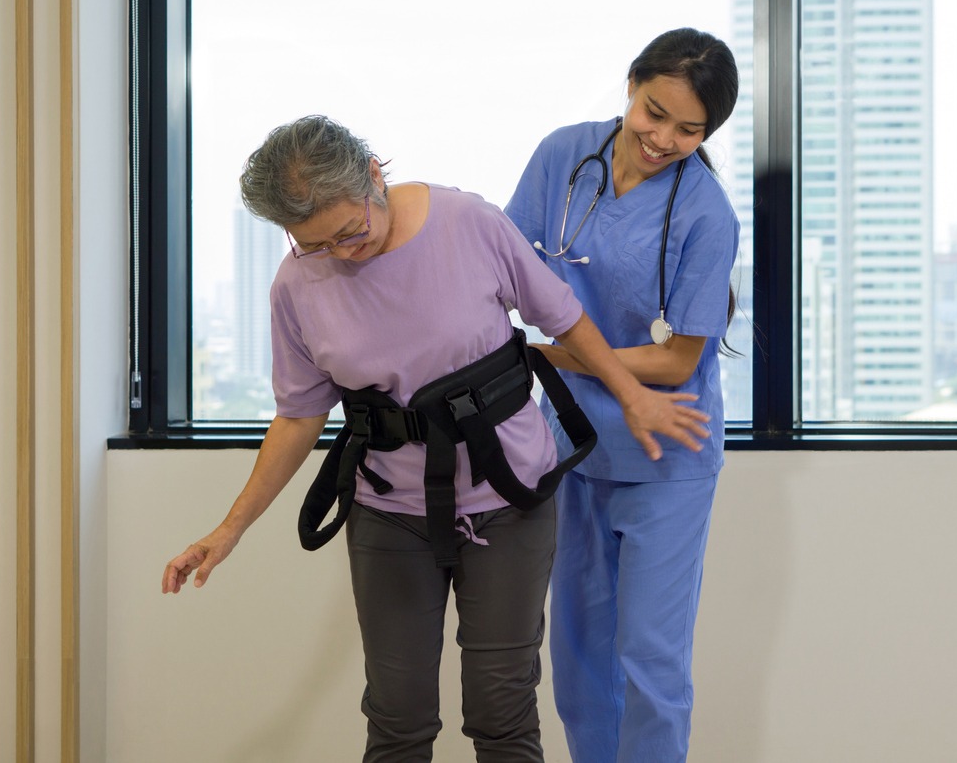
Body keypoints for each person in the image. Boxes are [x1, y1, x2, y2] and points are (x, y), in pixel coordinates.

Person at [161, 114, 712, 763]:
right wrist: (229, 529)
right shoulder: (296, 285)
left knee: (501, 712)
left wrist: (632, 393)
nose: (340, 252)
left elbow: (564, 319)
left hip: (509, 501)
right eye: (315, 244)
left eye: (349, 231)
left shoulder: (467, 224)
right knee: (397, 719)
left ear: (374, 175)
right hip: (390, 514)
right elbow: (298, 416)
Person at [504, 28, 740, 763]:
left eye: (689, 129)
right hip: (575, 443)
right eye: (654, 111)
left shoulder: (706, 214)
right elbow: (504, 267)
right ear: (631, 84)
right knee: (577, 666)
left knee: (651, 667)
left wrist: (555, 354)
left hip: (667, 450)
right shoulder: (562, 158)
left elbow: (675, 363)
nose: (664, 138)